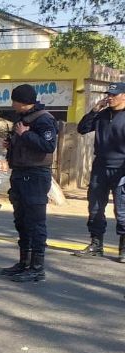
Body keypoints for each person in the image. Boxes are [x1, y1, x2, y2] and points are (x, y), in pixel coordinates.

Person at [0, 84, 59, 282]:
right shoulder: (22, 118)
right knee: (22, 221)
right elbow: (24, 145)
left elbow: (48, 145)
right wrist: (12, 144)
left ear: (23, 101)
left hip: (35, 176)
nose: (12, 104)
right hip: (20, 174)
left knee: (35, 223)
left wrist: (26, 135)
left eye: (14, 100)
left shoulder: (44, 119)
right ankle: (23, 262)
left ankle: (37, 268)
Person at [74, 82, 125, 262]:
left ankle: (123, 249)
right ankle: (96, 245)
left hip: (121, 169)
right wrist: (94, 110)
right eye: (108, 94)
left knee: (122, 210)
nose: (109, 97)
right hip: (100, 167)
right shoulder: (102, 114)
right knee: (95, 208)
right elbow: (82, 129)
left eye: (114, 94)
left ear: (124, 96)